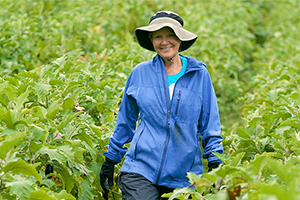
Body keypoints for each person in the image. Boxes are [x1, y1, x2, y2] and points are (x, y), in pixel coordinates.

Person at [100, 11, 223, 200]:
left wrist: (215, 163)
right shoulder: (140, 73)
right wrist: (111, 160)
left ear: (180, 39)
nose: (164, 42)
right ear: (151, 40)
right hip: (140, 169)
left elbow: (210, 123)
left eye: (170, 35)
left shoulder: (199, 75)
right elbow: (126, 121)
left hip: (185, 176)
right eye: (158, 36)